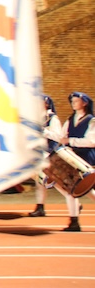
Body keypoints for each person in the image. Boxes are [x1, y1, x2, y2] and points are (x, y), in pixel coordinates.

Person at [29, 95, 81, 226]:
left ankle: (75, 204)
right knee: (40, 181)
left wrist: (43, 131)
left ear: (46, 103)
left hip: (49, 153)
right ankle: (40, 206)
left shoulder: (52, 118)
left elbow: (58, 136)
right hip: (39, 153)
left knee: (57, 182)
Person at [58, 91, 95, 231]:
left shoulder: (91, 120)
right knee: (72, 189)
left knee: (84, 188)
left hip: (86, 158)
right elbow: (61, 137)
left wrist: (70, 141)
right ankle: (74, 221)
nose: (73, 103)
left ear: (84, 103)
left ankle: (74, 222)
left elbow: (92, 141)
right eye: (72, 101)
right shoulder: (70, 119)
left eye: (76, 100)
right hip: (72, 158)